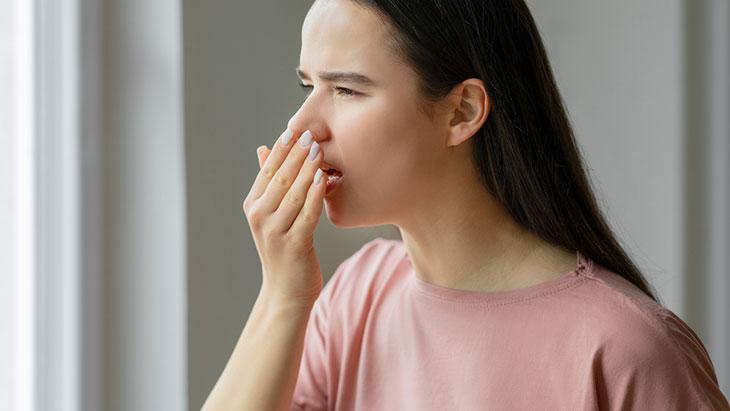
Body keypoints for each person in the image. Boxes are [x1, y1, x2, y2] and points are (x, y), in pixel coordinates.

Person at [203, 0, 730, 409]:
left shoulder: (625, 351)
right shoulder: (354, 300)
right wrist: (283, 295)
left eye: (346, 90)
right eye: (307, 86)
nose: (301, 127)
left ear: (463, 111)